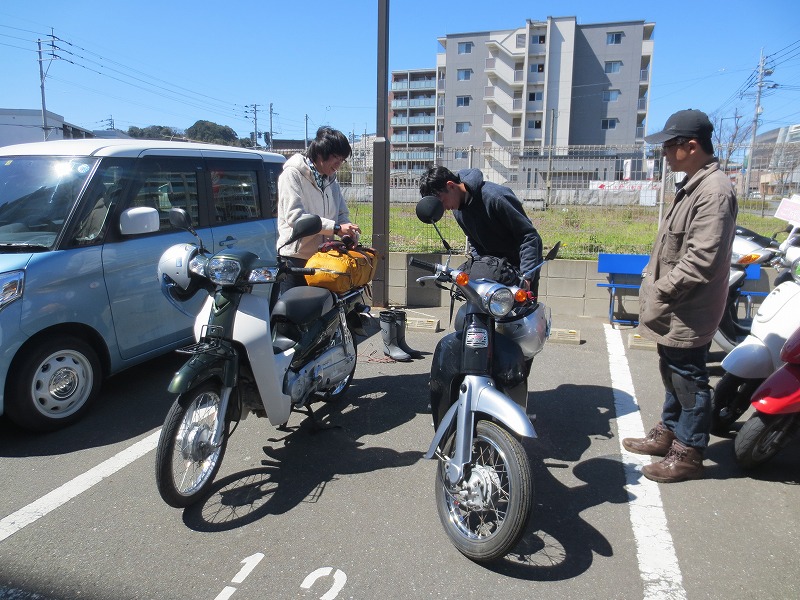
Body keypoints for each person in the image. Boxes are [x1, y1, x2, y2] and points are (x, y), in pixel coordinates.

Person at [622, 109, 737, 483]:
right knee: (673, 371)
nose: (665, 153)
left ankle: (688, 452)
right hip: (676, 305)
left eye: (670, 146)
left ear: (691, 146)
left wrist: (660, 291)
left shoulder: (714, 191)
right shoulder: (694, 183)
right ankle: (668, 433)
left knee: (689, 378)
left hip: (688, 306)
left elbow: (701, 259)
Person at [418, 166, 543, 296]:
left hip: (521, 265)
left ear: (451, 186)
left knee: (520, 313)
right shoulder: (458, 209)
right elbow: (473, 240)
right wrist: (481, 267)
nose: (443, 209)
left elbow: (528, 236)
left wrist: (526, 277)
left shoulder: (495, 197)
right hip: (495, 268)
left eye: (442, 202)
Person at [277, 126, 361, 293]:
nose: (339, 164)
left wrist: (347, 230)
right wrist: (336, 228)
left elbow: (342, 214)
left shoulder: (331, 182)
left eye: (342, 160)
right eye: (336, 157)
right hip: (296, 259)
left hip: (324, 257)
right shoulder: (292, 175)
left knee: (324, 311)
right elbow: (295, 217)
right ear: (320, 153)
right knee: (295, 313)